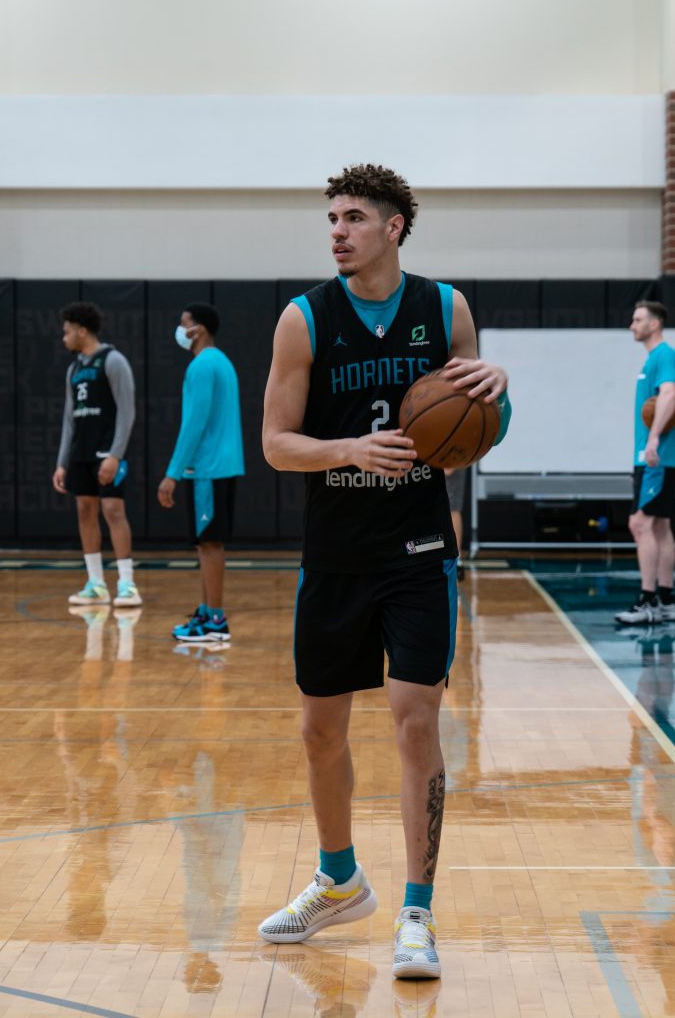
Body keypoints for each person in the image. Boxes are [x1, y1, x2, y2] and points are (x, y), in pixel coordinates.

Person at [259, 164, 511, 980]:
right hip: (334, 553)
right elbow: (274, 443)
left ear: (394, 227)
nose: (336, 230)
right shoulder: (304, 320)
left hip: (415, 550)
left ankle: (415, 912)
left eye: (353, 217)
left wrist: (496, 391)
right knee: (319, 732)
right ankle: (339, 882)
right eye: (330, 217)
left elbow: (471, 420)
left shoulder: (445, 309)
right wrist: (346, 450)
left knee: (413, 723)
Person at [157, 303, 244, 642]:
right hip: (220, 465)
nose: (180, 331)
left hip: (207, 467)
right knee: (207, 543)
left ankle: (216, 621)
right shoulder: (222, 362)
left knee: (209, 544)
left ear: (200, 329)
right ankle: (207, 612)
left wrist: (172, 474)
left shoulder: (202, 365)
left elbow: (193, 425)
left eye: (184, 324)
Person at [52, 302, 141, 608]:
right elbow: (68, 419)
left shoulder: (113, 361)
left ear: (82, 330)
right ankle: (96, 584)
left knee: (114, 511)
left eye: (66, 332)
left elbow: (127, 413)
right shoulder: (74, 368)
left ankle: (127, 584)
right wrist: (62, 462)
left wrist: (115, 455)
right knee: (85, 512)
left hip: (107, 452)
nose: (63, 337)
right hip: (81, 453)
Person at [616, 301, 675, 625]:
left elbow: (670, 394)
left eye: (637, 319)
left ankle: (648, 600)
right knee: (661, 527)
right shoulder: (654, 358)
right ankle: (666, 599)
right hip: (659, 458)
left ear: (654, 324)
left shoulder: (664, 355)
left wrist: (652, 440)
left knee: (641, 525)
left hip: (655, 458)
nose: (632, 325)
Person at [444, 467, 467, 581]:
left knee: (453, 509)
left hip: (451, 457)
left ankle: (457, 560)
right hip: (428, 463)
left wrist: (450, 462)